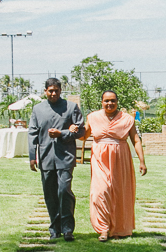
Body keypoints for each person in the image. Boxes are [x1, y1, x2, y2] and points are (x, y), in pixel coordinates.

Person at [81, 91, 147, 241]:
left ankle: (118, 229)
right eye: (106, 101)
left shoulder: (127, 119)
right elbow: (83, 135)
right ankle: (103, 229)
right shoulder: (93, 117)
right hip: (100, 159)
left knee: (118, 193)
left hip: (120, 159)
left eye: (113, 101)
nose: (109, 104)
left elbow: (135, 139)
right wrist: (72, 128)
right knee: (100, 192)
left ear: (117, 102)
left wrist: (142, 161)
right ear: (102, 102)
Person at [28, 78, 85, 242]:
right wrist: (33, 156)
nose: (53, 93)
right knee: (50, 194)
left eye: (56, 90)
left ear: (60, 91)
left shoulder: (71, 107)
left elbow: (80, 131)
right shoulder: (38, 109)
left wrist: (63, 133)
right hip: (46, 157)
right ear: (45, 91)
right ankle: (55, 228)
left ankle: (68, 229)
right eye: (50, 90)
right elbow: (32, 133)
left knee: (63, 191)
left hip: (65, 157)